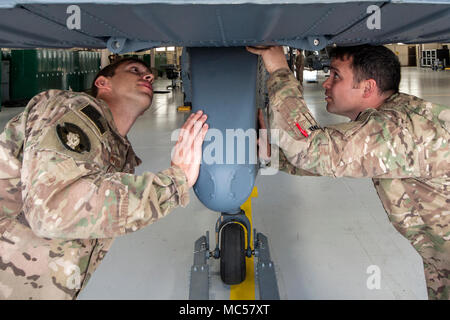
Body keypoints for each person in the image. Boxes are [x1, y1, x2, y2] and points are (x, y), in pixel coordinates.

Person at [247, 45, 450, 300]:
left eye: (335, 76)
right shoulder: (396, 117)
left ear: (367, 87)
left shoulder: (399, 131)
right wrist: (273, 156)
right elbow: (340, 159)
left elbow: (312, 151)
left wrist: (278, 69)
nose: (325, 84)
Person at [0, 57, 209, 299]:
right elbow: (51, 210)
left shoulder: (117, 150)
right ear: (103, 82)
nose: (149, 76)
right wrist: (174, 182)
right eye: (134, 70)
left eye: (148, 73)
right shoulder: (71, 107)